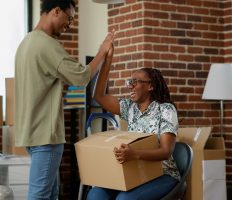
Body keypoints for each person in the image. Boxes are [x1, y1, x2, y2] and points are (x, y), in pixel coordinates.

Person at [14, 0, 115, 199]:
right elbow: (82, 77)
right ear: (56, 10)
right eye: (68, 19)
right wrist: (102, 51)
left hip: (32, 134)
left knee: (51, 194)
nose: (68, 25)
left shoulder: (26, 42)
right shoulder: (46, 45)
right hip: (46, 136)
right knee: (40, 195)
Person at [86, 45, 180, 200]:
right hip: (135, 173)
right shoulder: (130, 108)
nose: (130, 85)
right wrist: (108, 59)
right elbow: (99, 96)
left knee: (124, 199)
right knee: (95, 194)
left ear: (151, 86)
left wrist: (134, 154)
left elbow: (166, 151)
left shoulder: (166, 109)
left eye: (135, 82)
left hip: (164, 174)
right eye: (130, 81)